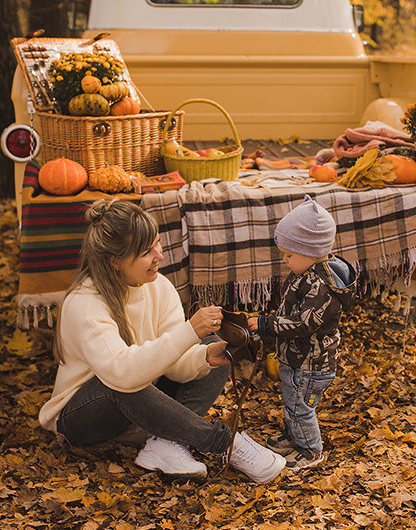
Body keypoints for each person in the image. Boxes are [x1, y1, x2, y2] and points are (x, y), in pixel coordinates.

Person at [39, 199, 286, 482]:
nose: (160, 255)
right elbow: (122, 373)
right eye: (146, 252)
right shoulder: (85, 303)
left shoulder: (158, 286)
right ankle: (225, 443)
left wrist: (205, 357)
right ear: (115, 261)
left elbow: (174, 365)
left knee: (211, 351)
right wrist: (190, 331)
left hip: (140, 402)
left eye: (157, 243)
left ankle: (165, 443)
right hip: (84, 419)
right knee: (123, 382)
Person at [248, 194, 357, 469]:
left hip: (311, 363)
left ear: (311, 252)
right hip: (298, 358)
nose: (284, 260)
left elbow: (303, 323)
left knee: (300, 407)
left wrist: (266, 324)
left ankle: (310, 451)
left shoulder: (322, 286)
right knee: (292, 402)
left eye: (289, 255)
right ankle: (294, 437)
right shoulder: (306, 275)